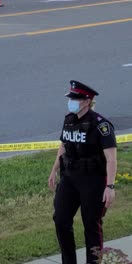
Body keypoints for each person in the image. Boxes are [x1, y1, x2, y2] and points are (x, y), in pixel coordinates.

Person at [48, 80, 117, 264]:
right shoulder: (69, 119)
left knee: (91, 226)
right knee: (61, 219)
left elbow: (111, 158)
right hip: (69, 179)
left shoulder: (101, 125)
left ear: (87, 101)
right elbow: (63, 145)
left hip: (93, 181)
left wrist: (110, 186)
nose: (71, 101)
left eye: (76, 98)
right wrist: (54, 169)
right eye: (71, 97)